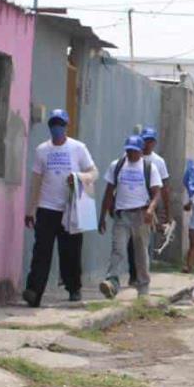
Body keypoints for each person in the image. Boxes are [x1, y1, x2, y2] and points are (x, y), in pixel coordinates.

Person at [22, 109, 98, 307]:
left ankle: (74, 288)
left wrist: (80, 178)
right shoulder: (42, 150)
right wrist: (31, 209)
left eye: (61, 125)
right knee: (41, 251)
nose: (57, 128)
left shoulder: (78, 148)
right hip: (47, 208)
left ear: (66, 126)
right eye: (54, 124)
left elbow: (93, 172)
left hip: (70, 208)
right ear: (50, 127)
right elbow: (36, 181)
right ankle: (34, 291)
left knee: (70, 251)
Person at [98, 135, 162, 298]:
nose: (131, 154)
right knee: (117, 249)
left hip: (141, 215)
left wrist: (151, 209)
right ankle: (111, 281)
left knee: (140, 253)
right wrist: (102, 216)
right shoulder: (117, 165)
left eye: (134, 151)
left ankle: (143, 287)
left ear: (141, 151)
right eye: (129, 151)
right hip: (122, 215)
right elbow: (108, 192)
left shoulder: (149, 168)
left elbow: (156, 194)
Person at [127, 127, 171, 286]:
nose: (148, 144)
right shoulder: (128, 158)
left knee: (143, 242)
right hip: (132, 204)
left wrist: (167, 212)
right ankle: (134, 274)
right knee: (132, 241)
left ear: (154, 143)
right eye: (145, 140)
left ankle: (142, 274)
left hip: (150, 205)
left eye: (151, 141)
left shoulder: (158, 162)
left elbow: (165, 187)